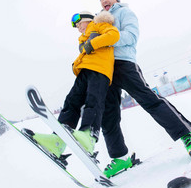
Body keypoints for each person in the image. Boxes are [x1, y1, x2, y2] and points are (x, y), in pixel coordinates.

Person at [96, 0, 191, 178]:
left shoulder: (125, 13)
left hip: (124, 64)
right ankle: (120, 157)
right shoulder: (99, 19)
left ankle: (188, 135)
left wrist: (107, 39)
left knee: (149, 100)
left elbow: (131, 37)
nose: (104, 1)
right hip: (105, 69)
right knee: (108, 113)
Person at [24, 11, 120, 159]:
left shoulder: (99, 25)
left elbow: (114, 35)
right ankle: (58, 140)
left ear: (87, 19)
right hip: (85, 71)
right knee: (71, 101)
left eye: (78, 23)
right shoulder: (83, 38)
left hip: (100, 70)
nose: (78, 27)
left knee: (93, 101)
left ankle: (88, 136)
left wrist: (91, 44)